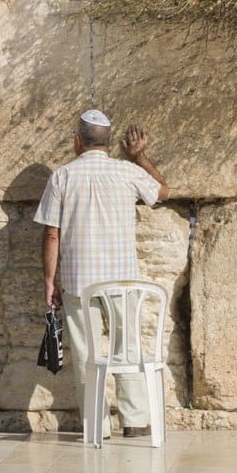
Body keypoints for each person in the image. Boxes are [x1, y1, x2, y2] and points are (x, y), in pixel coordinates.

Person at [33, 110, 169, 439]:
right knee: (129, 347)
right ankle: (135, 420)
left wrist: (49, 280)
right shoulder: (126, 171)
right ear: (109, 142)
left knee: (86, 354)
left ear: (78, 141)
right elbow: (162, 190)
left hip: (81, 282)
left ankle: (97, 424)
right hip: (123, 282)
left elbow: (52, 235)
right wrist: (139, 156)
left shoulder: (63, 177)